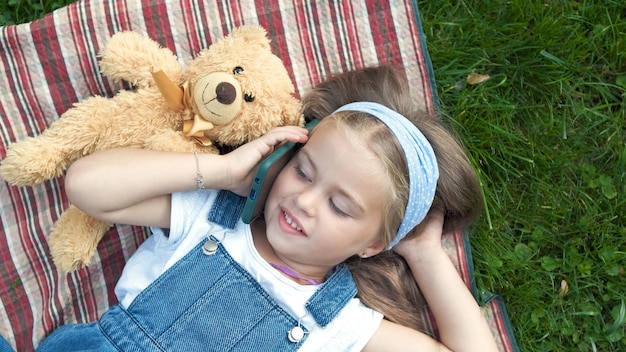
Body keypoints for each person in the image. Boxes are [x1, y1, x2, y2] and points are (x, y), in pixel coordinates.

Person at [35, 66, 498, 351]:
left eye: (340, 206)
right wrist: (219, 172)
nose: (304, 200)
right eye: (304, 171)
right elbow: (86, 185)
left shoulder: (339, 323)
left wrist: (424, 254)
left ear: (374, 243)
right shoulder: (213, 217)